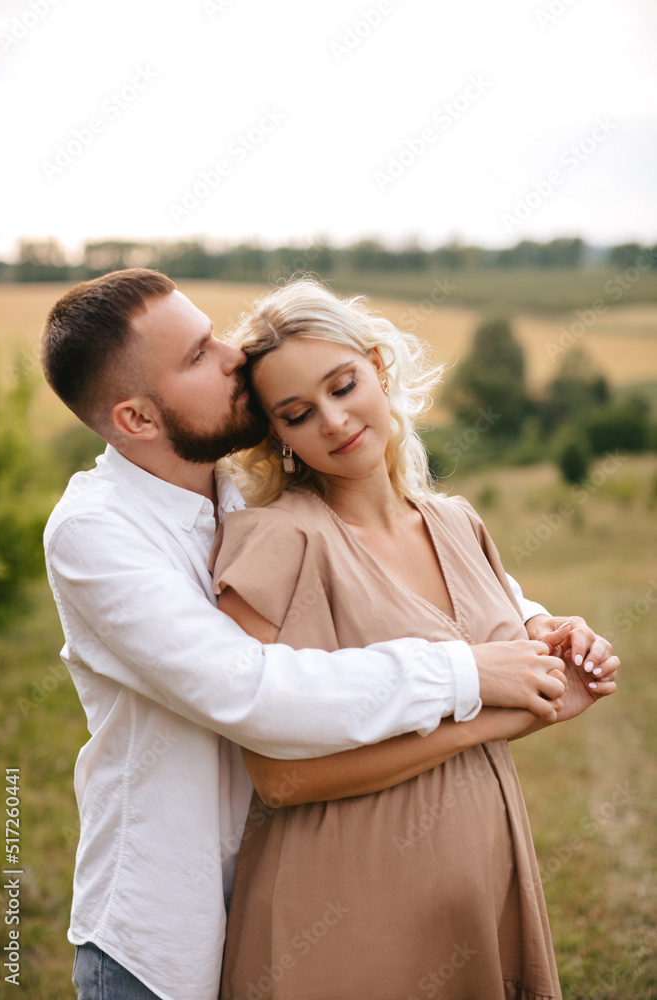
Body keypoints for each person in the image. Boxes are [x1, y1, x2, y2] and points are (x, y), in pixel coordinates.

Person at [40, 269, 613, 1000]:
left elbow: (392, 562)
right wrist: (469, 676)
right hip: (164, 931)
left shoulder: (241, 486)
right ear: (138, 419)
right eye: (195, 356)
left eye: (212, 333)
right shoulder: (96, 533)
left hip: (304, 871)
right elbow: (250, 688)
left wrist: (535, 622)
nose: (230, 356)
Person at [209, 278, 619, 1000]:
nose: (334, 422)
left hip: (479, 884)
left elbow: (511, 665)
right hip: (337, 912)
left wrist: (556, 656)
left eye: (344, 385)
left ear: (378, 365)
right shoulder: (275, 541)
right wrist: (502, 712)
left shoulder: (458, 523)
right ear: (277, 433)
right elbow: (277, 778)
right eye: (298, 413)